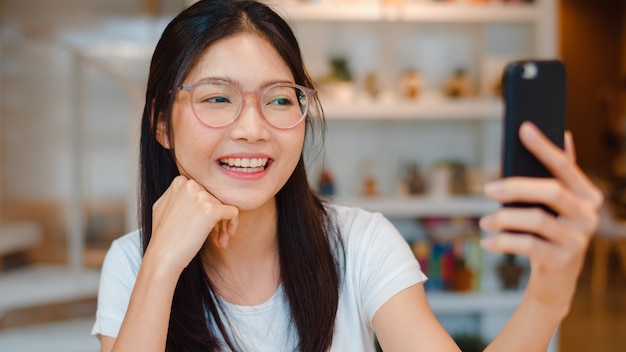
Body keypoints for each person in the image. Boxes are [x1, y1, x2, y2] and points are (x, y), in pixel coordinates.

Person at [91, 0, 603, 351]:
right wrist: (160, 264)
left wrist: (549, 293)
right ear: (161, 122)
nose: (252, 128)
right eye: (218, 98)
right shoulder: (133, 262)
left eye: (278, 99)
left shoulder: (359, 243)